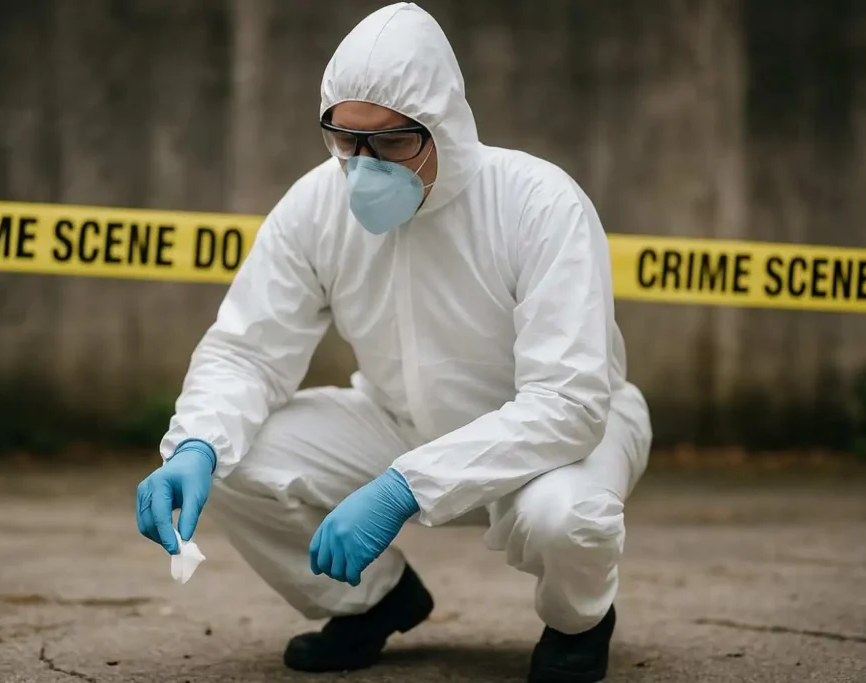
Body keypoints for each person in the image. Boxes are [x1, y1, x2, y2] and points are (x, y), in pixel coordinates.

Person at [135, 3, 651, 682]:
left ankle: (577, 622)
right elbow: (249, 350)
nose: (363, 164)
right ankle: (372, 600)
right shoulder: (316, 205)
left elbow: (569, 403)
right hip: (397, 422)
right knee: (232, 456)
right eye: (346, 139)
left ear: (445, 125)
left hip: (553, 441)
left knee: (570, 518)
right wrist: (197, 439)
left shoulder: (539, 204)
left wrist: (404, 488)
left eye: (391, 142)